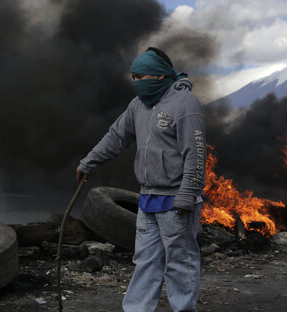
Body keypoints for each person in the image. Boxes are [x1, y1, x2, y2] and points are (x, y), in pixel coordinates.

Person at [76, 47, 206, 312]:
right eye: (133, 77)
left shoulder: (185, 104)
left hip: (175, 201)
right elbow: (117, 136)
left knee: (180, 261)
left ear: (159, 76)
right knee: (146, 259)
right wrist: (89, 161)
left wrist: (187, 194)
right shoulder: (138, 105)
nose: (136, 83)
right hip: (148, 199)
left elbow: (196, 154)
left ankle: (184, 309)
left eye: (140, 76)